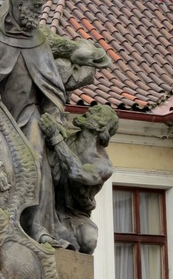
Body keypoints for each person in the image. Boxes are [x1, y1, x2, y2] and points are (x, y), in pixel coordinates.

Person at [0, 0, 68, 246]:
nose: (37, 14)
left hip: (28, 114)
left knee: (35, 159)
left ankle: (36, 225)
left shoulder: (39, 41)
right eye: (33, 8)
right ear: (18, 5)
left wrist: (52, 116)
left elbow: (53, 90)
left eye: (39, 8)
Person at [40, 105, 119, 253]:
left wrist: (56, 138)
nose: (89, 111)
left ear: (100, 126)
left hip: (76, 215)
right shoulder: (68, 138)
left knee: (89, 240)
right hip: (49, 203)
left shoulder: (103, 165)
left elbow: (77, 173)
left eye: (95, 113)